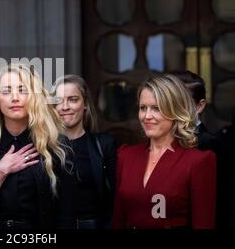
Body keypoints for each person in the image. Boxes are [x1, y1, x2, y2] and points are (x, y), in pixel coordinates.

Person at [0, 63, 74, 228]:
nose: (15, 98)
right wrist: (1, 170)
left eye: (22, 90)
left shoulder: (55, 145)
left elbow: (66, 211)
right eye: (6, 91)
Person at [113, 74, 216, 229]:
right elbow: (118, 219)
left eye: (156, 108)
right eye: (143, 108)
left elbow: (203, 223)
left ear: (175, 111)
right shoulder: (125, 156)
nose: (147, 116)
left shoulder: (198, 161)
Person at [52, 75, 116, 229]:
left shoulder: (105, 145)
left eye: (73, 99)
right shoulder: (43, 148)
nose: (65, 107)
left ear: (85, 104)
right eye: (58, 101)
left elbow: (115, 197)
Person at [171, 70, 231, 228]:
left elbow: (219, 203)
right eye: (169, 101)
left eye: (181, 102)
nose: (172, 108)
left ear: (199, 106)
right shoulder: (160, 141)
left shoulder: (209, 145)